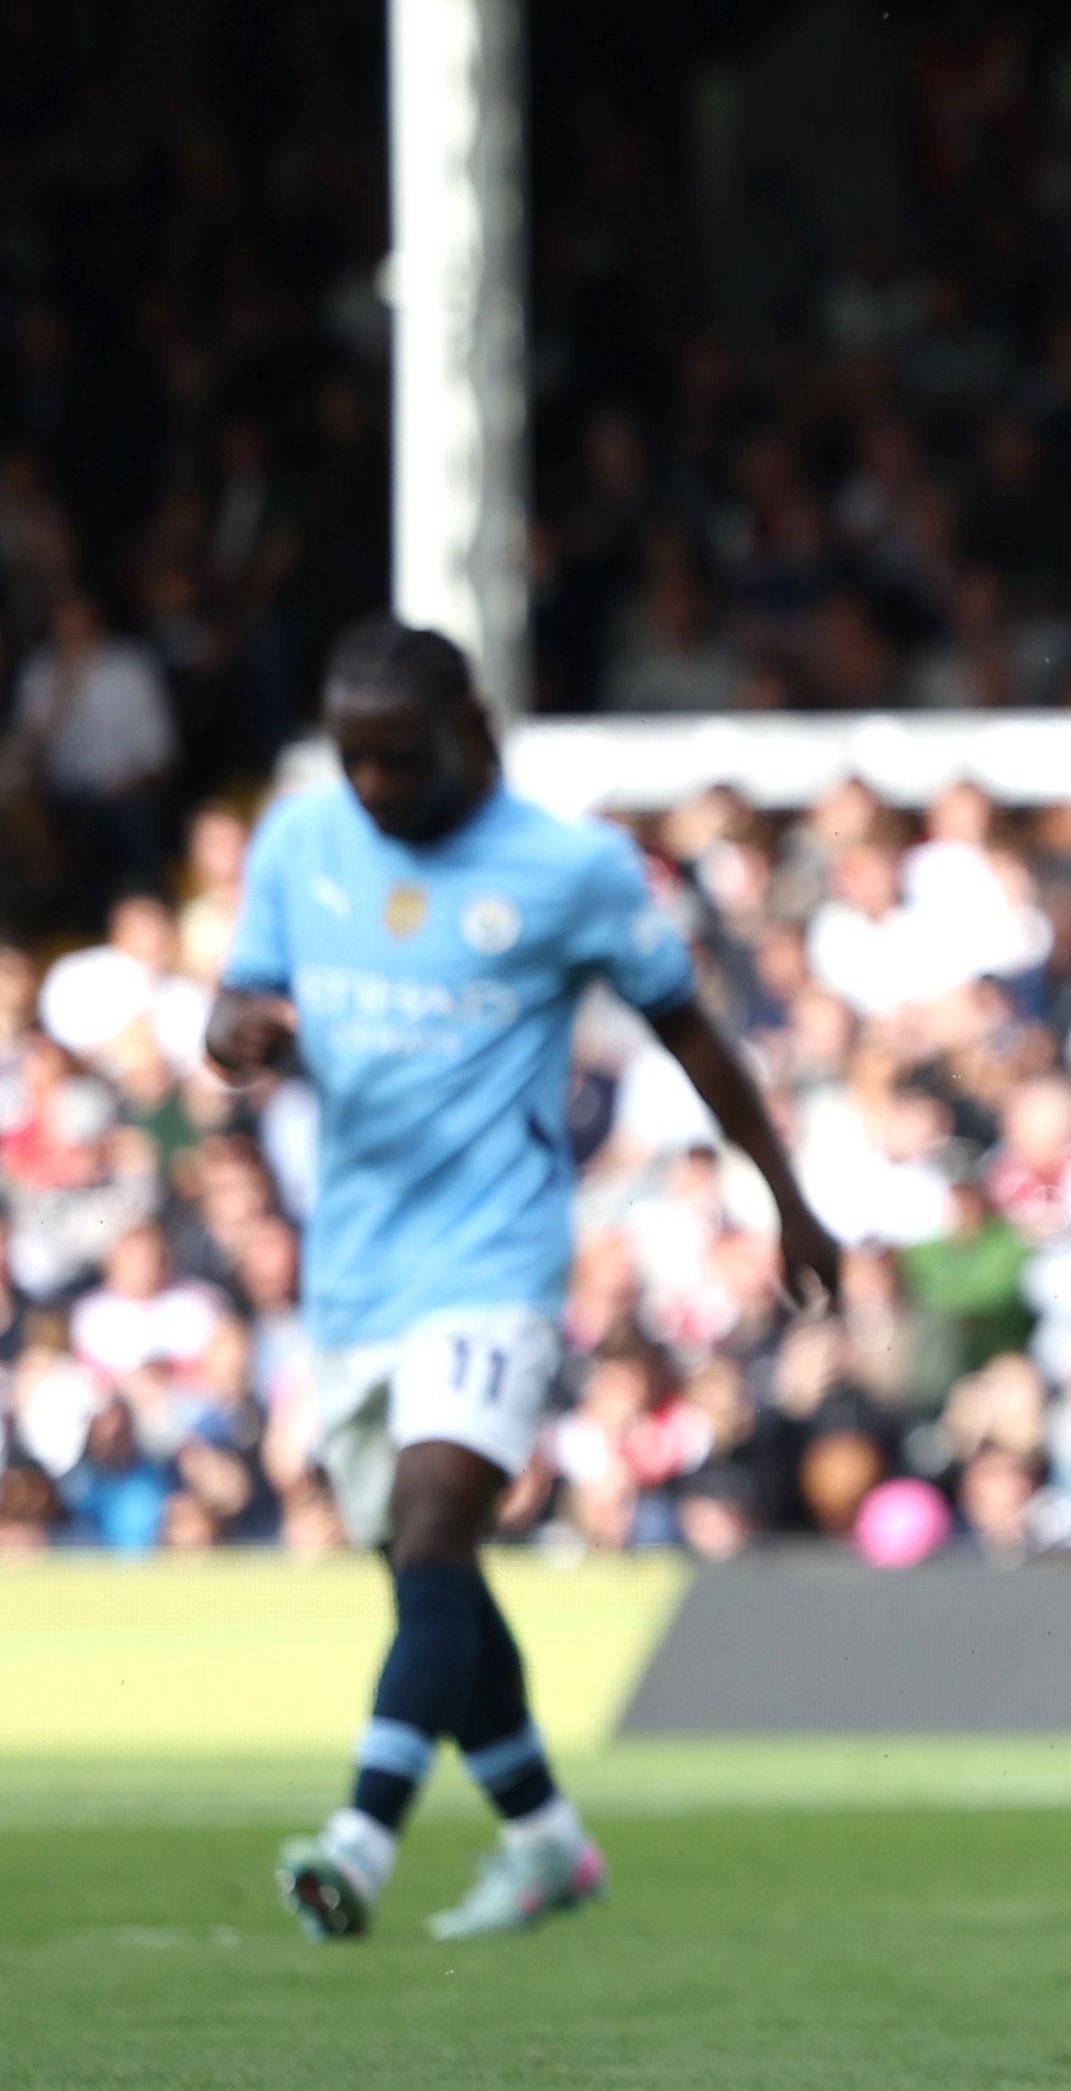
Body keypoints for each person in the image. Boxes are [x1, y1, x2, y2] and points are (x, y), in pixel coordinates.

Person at [217, 620, 839, 1943]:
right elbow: (235, 1003)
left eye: (398, 758)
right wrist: (244, 1036)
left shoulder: (569, 869)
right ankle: (547, 1840)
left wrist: (788, 1199)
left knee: (438, 1523)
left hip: (495, 1253)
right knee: (427, 1574)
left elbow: (691, 1035)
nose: (373, 787)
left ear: (469, 735)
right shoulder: (301, 842)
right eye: (353, 759)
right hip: (354, 1271)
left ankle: (360, 1841)